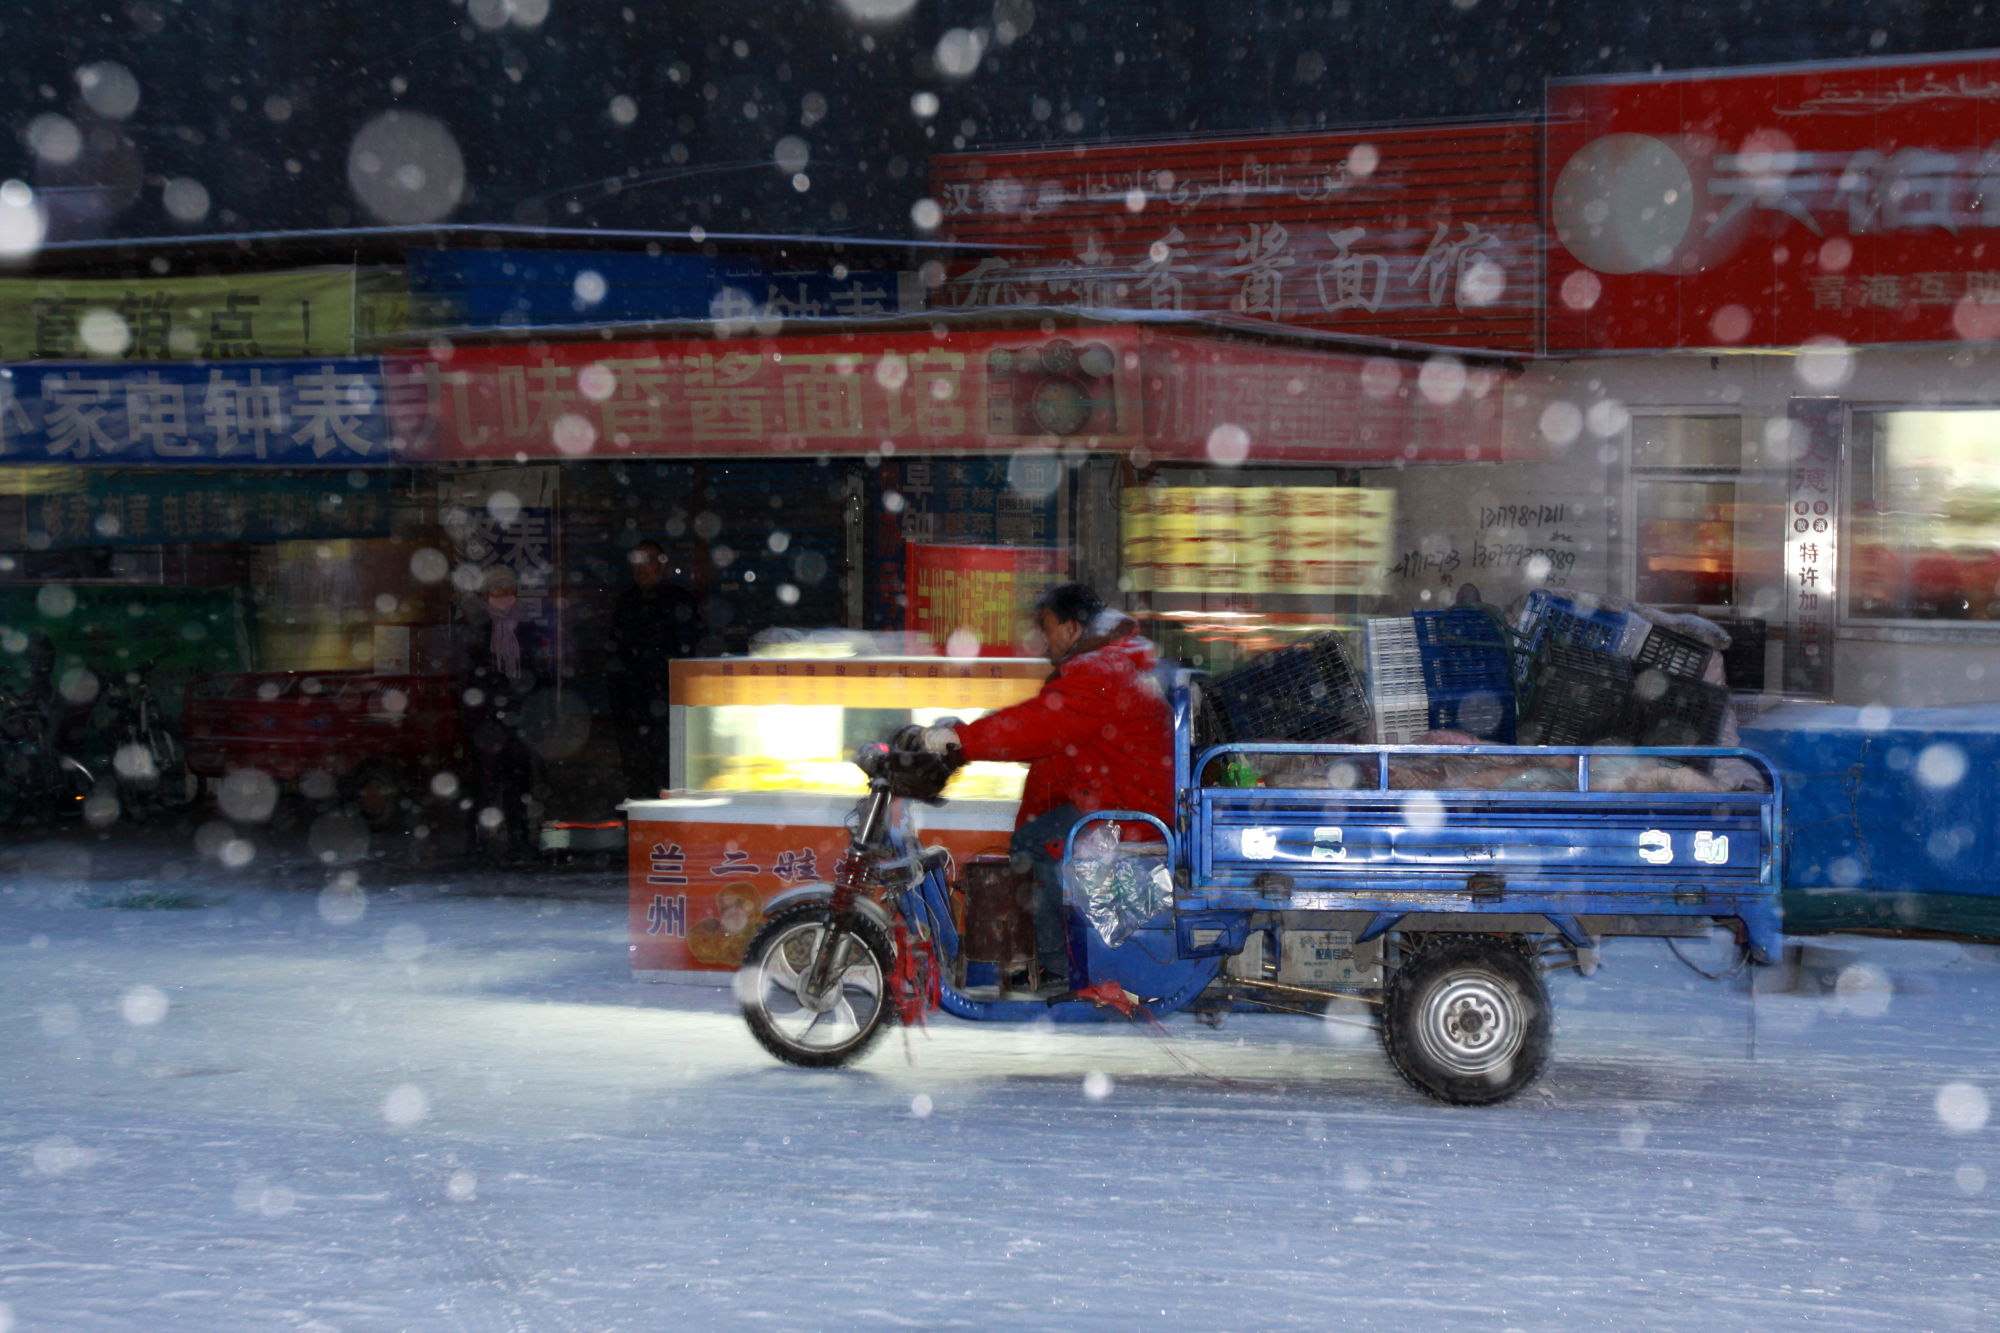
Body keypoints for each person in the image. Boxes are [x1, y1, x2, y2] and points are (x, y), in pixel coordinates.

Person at [921, 583, 1174, 990]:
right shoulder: (1112, 664)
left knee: (1034, 845)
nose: (1041, 639)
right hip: (1117, 797)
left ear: (1072, 629)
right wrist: (978, 737)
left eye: (1047, 627)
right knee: (1034, 839)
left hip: (1126, 809)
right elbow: (1049, 737)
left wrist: (966, 740)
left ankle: (1057, 968)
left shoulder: (1100, 672)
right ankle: (1053, 962)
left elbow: (1040, 726)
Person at [457, 566, 551, 859]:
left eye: (509, 590)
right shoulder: (472, 626)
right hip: (483, 718)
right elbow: (464, 674)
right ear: (485, 593)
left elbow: (538, 671)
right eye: (497, 590)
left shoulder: (526, 627)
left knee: (517, 782)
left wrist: (531, 706)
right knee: (481, 784)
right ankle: (477, 841)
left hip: (518, 718)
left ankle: (519, 838)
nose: (503, 596)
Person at [605, 539, 702, 799]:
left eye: (648, 561)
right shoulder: (625, 602)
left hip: (669, 713)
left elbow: (690, 655)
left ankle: (669, 835)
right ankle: (642, 833)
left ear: (662, 564)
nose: (641, 568)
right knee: (637, 780)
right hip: (632, 713)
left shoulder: (680, 601)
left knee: (669, 779)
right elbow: (615, 657)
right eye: (636, 561)